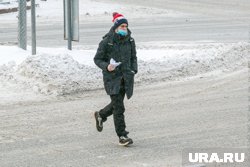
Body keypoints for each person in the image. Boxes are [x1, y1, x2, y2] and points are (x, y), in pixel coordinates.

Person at [93, 12, 138, 146]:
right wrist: (107, 66)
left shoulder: (130, 40)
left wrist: (133, 70)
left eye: (126, 26)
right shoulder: (107, 42)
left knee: (116, 105)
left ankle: (101, 115)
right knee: (119, 108)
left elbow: (133, 57)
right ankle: (122, 136)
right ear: (116, 27)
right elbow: (97, 59)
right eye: (122, 26)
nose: (125, 28)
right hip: (112, 79)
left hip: (126, 78)